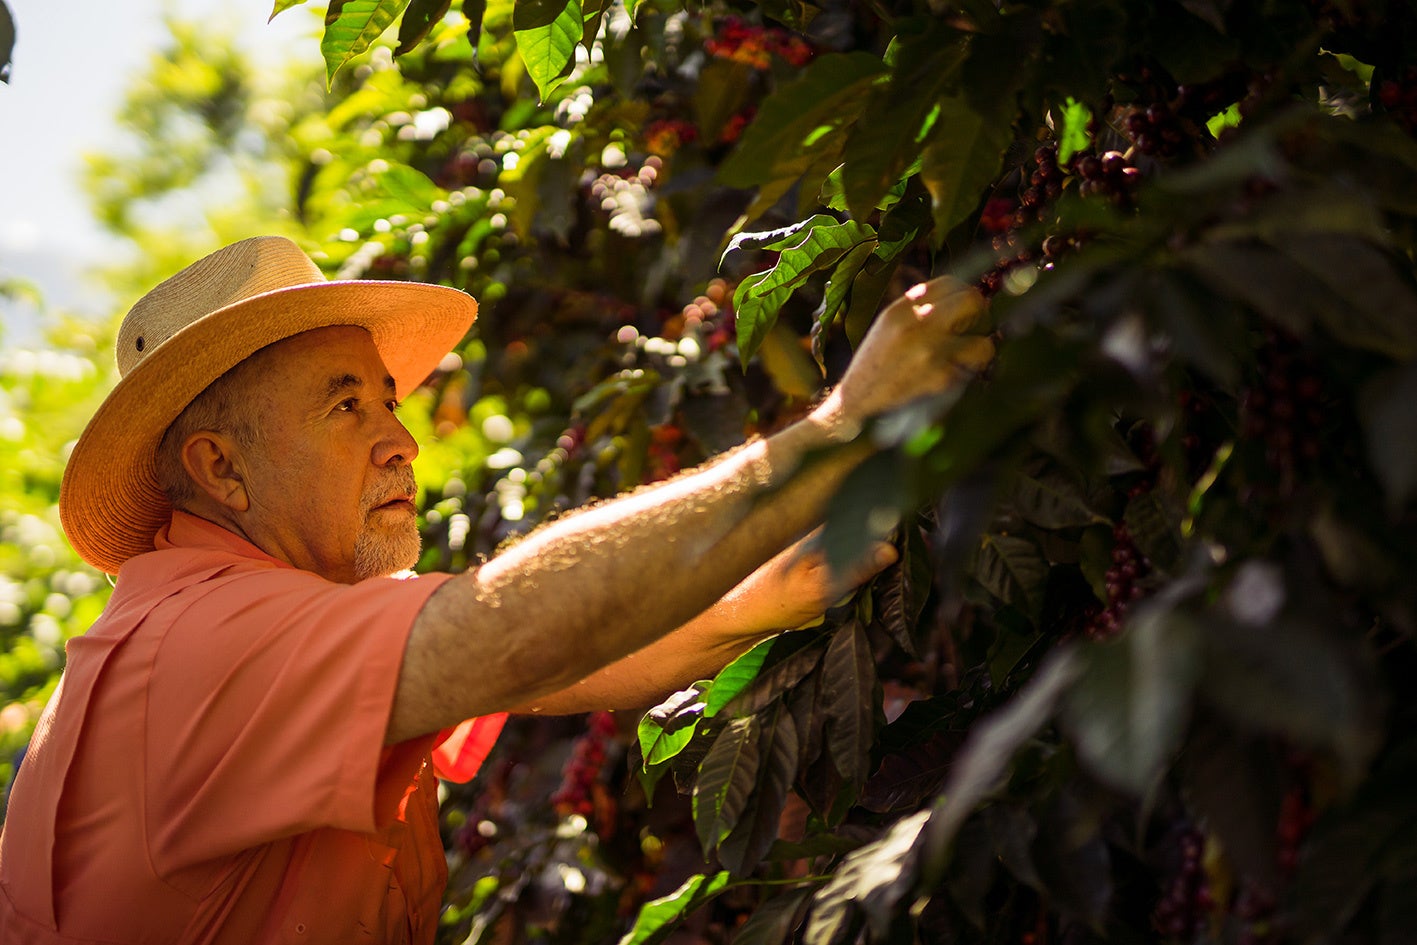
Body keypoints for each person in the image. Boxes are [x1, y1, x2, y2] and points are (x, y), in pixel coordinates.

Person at [0, 236, 993, 943]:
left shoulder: (243, 616)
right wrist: (836, 431)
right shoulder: (207, 641)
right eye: (344, 407)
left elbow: (560, 667)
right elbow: (509, 632)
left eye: (387, 400)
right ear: (221, 470)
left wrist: (765, 595)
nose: (402, 438)